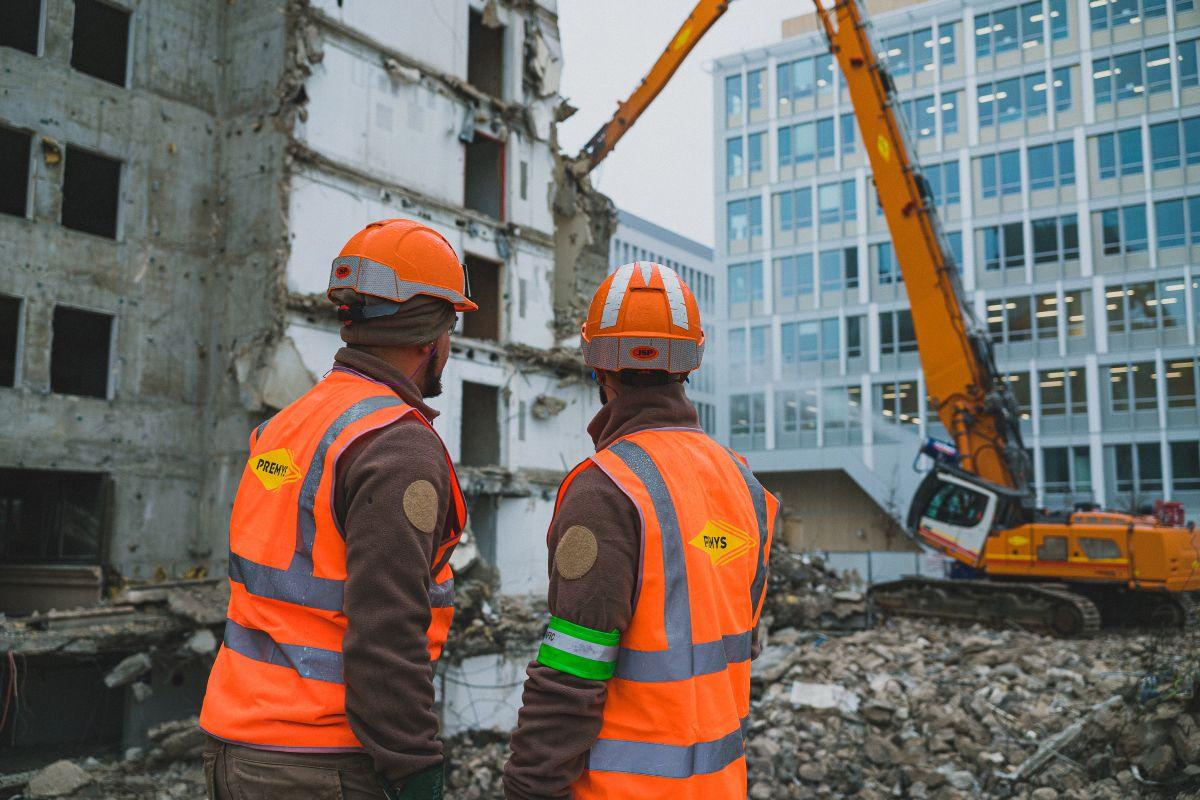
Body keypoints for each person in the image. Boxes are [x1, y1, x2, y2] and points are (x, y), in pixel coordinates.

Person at [199, 219, 476, 799]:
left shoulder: (287, 425)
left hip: (236, 747)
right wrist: (417, 771)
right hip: (319, 763)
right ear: (433, 335)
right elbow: (387, 632)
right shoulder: (395, 442)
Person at [502, 261, 779, 799]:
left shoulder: (606, 488)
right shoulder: (744, 485)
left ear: (597, 366)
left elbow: (570, 676)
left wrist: (527, 789)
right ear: (689, 363)